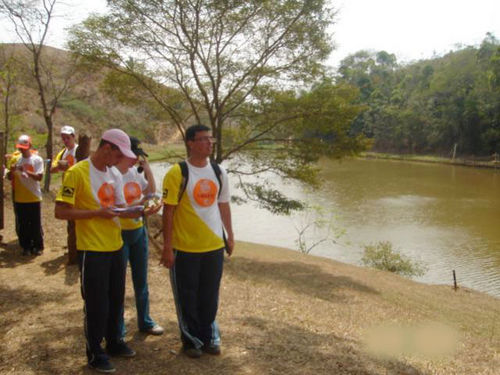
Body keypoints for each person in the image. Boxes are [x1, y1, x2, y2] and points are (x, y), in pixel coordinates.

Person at [55, 129, 140, 373]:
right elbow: (61, 212)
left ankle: (114, 342)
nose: (119, 160)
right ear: (106, 148)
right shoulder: (77, 173)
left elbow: (119, 207)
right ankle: (95, 352)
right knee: (96, 303)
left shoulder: (113, 172)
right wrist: (95, 213)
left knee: (115, 298)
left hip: (115, 245)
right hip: (92, 249)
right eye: (118, 154)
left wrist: (137, 211)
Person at [160, 124, 234, 358]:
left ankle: (209, 336)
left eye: (210, 139)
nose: (209, 143)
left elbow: (223, 204)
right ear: (190, 143)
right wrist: (167, 247)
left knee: (210, 294)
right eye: (203, 139)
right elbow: (168, 211)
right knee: (187, 295)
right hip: (185, 247)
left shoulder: (219, 172)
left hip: (213, 246)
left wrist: (230, 235)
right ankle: (191, 340)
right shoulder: (177, 172)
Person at [114, 136, 164, 339]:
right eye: (134, 156)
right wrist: (141, 210)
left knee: (141, 280)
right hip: (118, 233)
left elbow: (151, 191)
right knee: (117, 283)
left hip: (138, 231)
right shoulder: (113, 174)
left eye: (138, 157)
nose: (136, 159)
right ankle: (118, 327)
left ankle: (145, 320)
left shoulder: (135, 172)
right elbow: (118, 207)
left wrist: (148, 168)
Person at [6, 135, 44, 256]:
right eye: (20, 147)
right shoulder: (16, 160)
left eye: (24, 147)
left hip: (33, 197)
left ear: (30, 146)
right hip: (20, 198)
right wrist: (12, 171)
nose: (22, 149)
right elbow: (9, 177)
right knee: (23, 224)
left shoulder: (37, 160)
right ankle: (25, 246)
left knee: (35, 223)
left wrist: (25, 171)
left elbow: (39, 177)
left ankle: (37, 246)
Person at [50, 125, 79, 264]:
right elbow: (52, 169)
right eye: (63, 138)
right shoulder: (62, 153)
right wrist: (60, 167)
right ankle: (72, 249)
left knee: (78, 221)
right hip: (67, 191)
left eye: (68, 137)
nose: (66, 140)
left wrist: (71, 167)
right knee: (70, 221)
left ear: (74, 137)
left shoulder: (80, 151)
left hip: (79, 190)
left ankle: (78, 250)